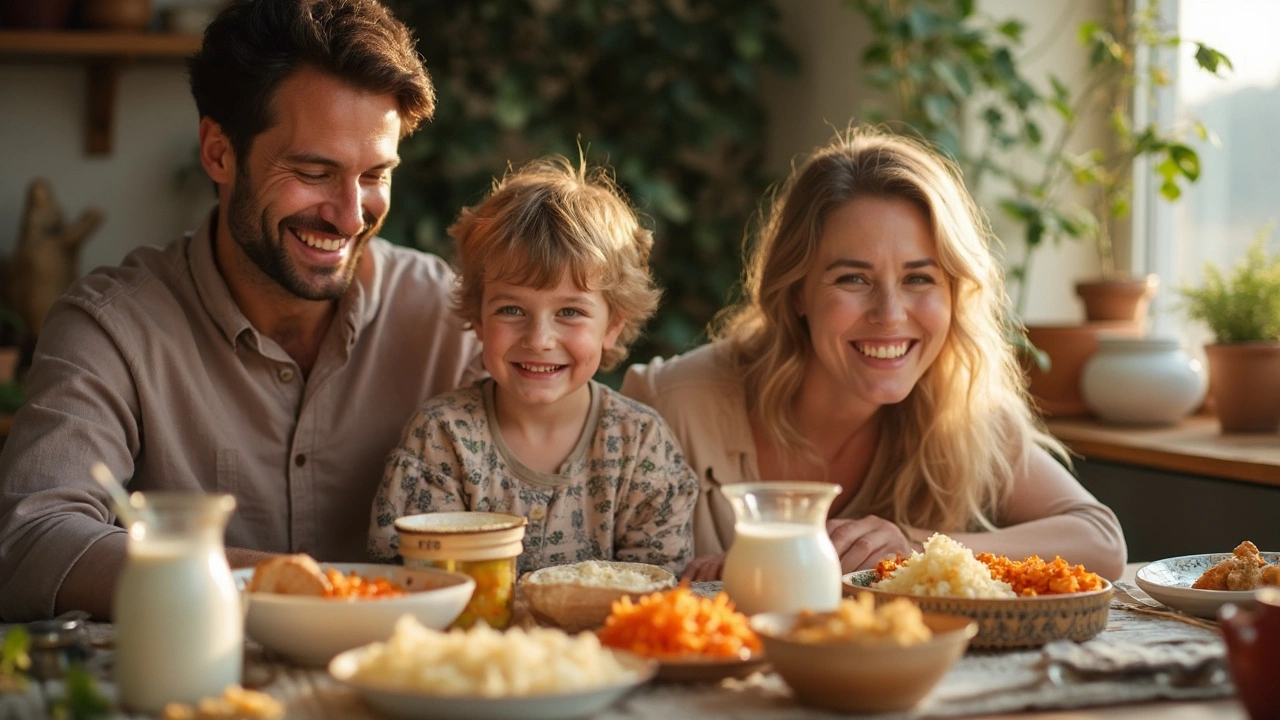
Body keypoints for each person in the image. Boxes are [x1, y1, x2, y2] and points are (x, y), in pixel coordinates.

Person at [0, 0, 484, 621]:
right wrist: (275, 583)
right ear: (219, 153)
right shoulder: (110, 326)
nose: (350, 214)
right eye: (314, 171)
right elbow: (29, 540)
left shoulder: (449, 316)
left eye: (374, 174)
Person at [622, 127, 1128, 582]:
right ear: (797, 291)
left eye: (919, 279)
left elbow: (1101, 540)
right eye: (853, 279)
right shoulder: (671, 406)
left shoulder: (963, 411)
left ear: (954, 293)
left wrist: (917, 548)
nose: (889, 313)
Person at [368, 156, 699, 577]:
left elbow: (656, 591)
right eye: (511, 309)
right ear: (479, 319)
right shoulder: (442, 437)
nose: (539, 339)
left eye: (570, 313)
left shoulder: (641, 446)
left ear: (612, 326)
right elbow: (410, 579)